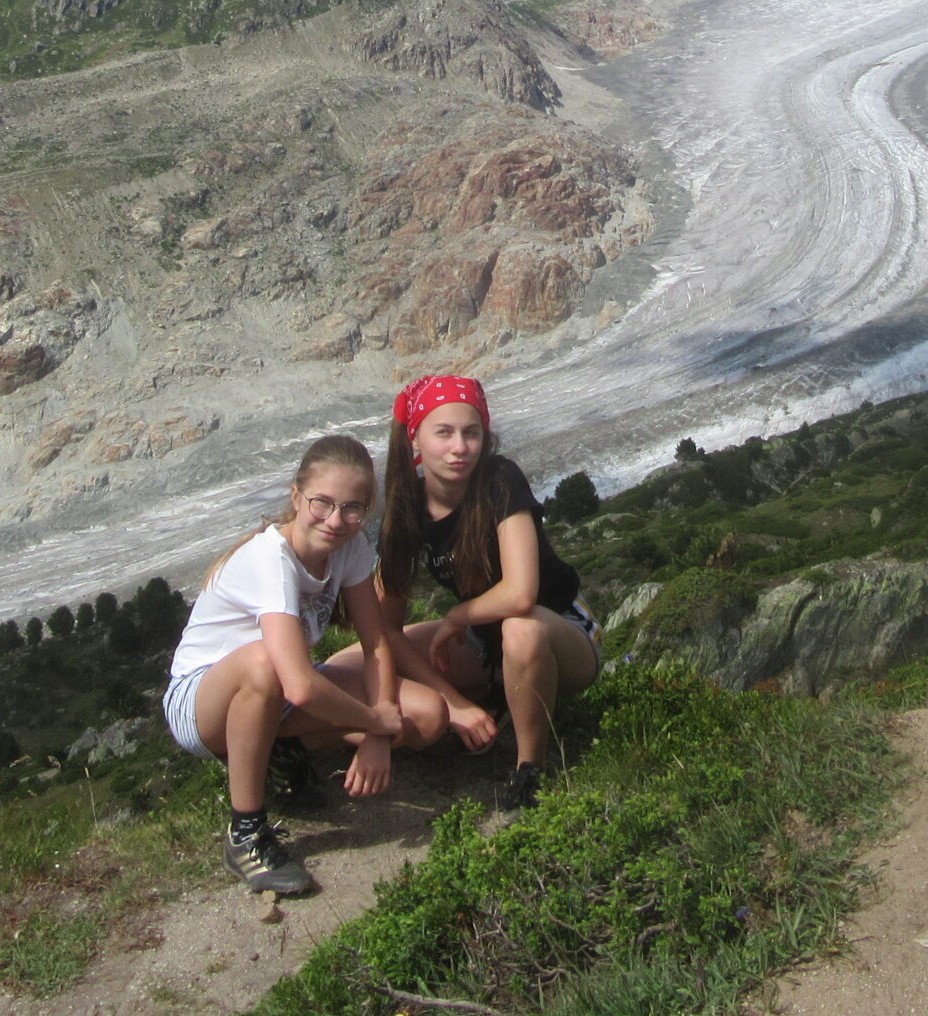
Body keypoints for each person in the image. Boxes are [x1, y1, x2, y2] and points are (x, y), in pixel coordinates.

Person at [161, 433, 420, 896]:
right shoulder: (270, 558)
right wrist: (373, 719)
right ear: (297, 495)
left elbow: (376, 643)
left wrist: (379, 734)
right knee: (265, 664)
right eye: (323, 503)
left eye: (352, 508)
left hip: (277, 693)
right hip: (203, 702)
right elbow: (299, 686)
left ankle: (280, 749)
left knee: (427, 716)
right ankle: (246, 834)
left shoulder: (351, 546)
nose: (336, 520)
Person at [345, 374, 599, 811]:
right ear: (417, 440)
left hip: (560, 632)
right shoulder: (407, 508)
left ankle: (528, 772)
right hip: (487, 642)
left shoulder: (500, 480)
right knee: (345, 666)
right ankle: (304, 741)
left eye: (471, 432)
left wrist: (456, 617)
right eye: (443, 433)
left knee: (521, 629)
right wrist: (454, 703)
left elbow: (521, 594)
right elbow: (384, 628)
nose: (459, 447)